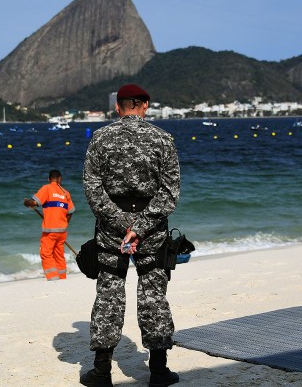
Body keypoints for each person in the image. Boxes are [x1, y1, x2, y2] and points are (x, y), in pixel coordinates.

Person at [81, 84, 181, 387]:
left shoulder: (100, 138)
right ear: (145, 105)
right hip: (150, 231)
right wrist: (139, 226)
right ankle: (159, 371)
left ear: (118, 107)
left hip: (112, 230)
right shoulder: (163, 139)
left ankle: (101, 372)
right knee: (154, 295)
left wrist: (122, 222)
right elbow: (170, 193)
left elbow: (92, 188)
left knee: (108, 294)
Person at [23, 170, 75, 281]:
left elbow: (34, 203)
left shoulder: (47, 188)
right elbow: (71, 211)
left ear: (49, 179)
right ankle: (62, 277)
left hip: (50, 230)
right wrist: (64, 223)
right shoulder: (65, 193)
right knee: (59, 255)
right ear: (60, 179)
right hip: (62, 231)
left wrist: (27, 202)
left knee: (46, 253)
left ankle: (53, 278)